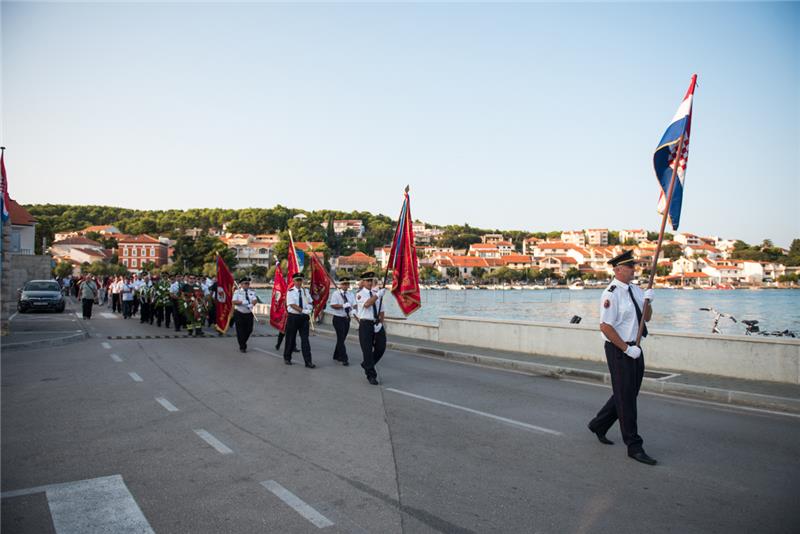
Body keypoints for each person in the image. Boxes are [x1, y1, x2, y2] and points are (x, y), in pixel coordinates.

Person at [587, 249, 656, 466]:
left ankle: (599, 424)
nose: (633, 270)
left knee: (627, 393)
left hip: (636, 347)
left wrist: (648, 302)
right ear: (617, 270)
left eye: (633, 266)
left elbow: (647, 318)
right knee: (626, 400)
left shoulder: (635, 289)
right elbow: (605, 327)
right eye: (629, 267)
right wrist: (626, 349)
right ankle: (634, 445)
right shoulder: (611, 293)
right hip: (620, 350)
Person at [355, 271, 387, 385]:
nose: (369, 282)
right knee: (367, 351)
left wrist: (380, 323)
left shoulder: (376, 293)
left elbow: (382, 310)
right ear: (363, 282)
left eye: (371, 280)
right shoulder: (360, 294)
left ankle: (367, 364)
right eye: (367, 280)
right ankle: (371, 375)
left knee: (381, 347)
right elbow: (367, 304)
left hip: (376, 324)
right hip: (365, 325)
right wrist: (378, 295)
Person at [283, 273, 314, 368]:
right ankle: (287, 357)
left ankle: (308, 361)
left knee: (305, 340)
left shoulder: (305, 291)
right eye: (297, 280)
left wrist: (310, 307)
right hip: (293, 317)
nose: (299, 282)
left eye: (300, 280)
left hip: (304, 318)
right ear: (293, 281)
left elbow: (310, 301)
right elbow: (292, 304)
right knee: (290, 338)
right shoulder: (290, 292)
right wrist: (303, 310)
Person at [329, 276, 355, 366]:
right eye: (343, 284)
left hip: (347, 318)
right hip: (338, 318)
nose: (345, 286)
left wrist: (354, 309)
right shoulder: (336, 294)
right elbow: (332, 305)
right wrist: (342, 305)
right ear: (340, 285)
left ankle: (336, 355)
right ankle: (344, 358)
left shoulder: (351, 294)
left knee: (342, 338)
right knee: (340, 338)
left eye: (346, 284)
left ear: (348, 285)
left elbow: (354, 304)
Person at [232, 277, 258, 353]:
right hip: (239, 313)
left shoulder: (252, 292)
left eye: (248, 283)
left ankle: (243, 342)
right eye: (245, 283)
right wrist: (242, 302)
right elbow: (234, 301)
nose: (247, 285)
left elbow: (255, 300)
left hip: (249, 313)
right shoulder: (237, 292)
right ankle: (242, 346)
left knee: (249, 329)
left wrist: (252, 304)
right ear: (241, 284)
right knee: (240, 331)